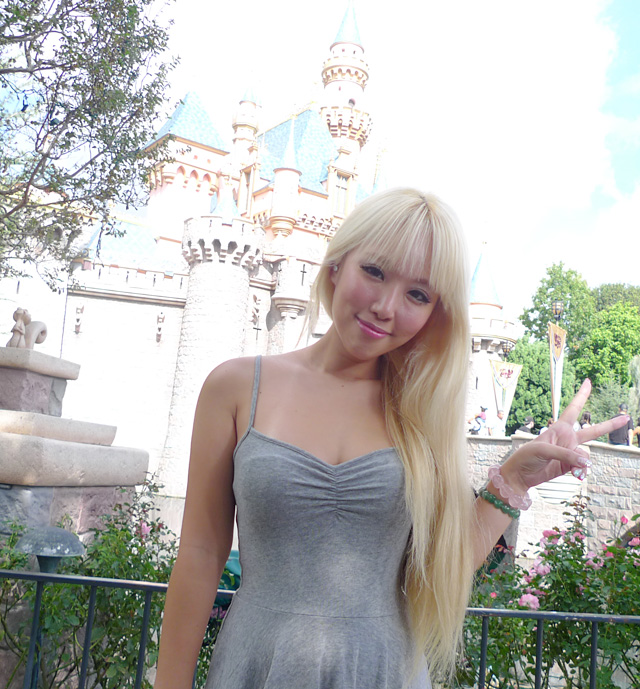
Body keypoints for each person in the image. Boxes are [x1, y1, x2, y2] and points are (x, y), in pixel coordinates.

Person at [154, 188, 627, 689]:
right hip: (257, 666)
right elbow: (201, 553)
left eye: (417, 295)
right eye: (375, 271)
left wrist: (514, 480)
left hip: (384, 672)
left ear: (435, 313)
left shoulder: (423, 414)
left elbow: (439, 571)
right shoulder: (234, 387)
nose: (385, 307)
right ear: (337, 265)